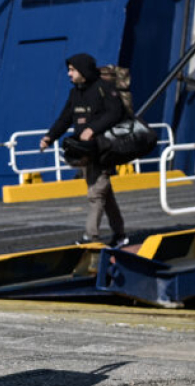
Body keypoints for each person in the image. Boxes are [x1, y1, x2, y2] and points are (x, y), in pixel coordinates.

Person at [39, 53, 128, 247]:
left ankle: (91, 236)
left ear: (83, 71)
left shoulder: (104, 89)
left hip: (104, 150)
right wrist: (49, 137)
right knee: (105, 194)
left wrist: (92, 129)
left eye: (72, 70)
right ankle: (120, 234)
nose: (69, 74)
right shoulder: (75, 93)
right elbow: (65, 118)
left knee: (96, 194)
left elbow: (116, 112)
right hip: (86, 152)